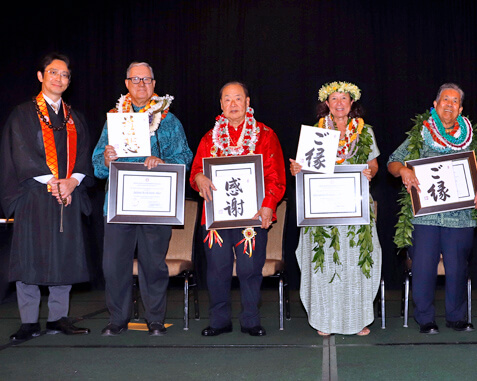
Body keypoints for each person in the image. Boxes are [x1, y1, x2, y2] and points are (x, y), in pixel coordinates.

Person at [92, 62, 193, 336]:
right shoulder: (114, 118)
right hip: (117, 204)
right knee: (113, 265)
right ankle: (117, 319)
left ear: (154, 84)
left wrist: (162, 161)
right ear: (126, 83)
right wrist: (106, 157)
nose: (141, 84)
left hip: (155, 202)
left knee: (153, 264)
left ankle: (155, 319)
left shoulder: (169, 120)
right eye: (135, 79)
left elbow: (185, 157)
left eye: (146, 80)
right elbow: (97, 165)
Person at [0, 53, 92, 341]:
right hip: (33, 195)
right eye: (53, 73)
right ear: (41, 76)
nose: (59, 79)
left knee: (63, 256)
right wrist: (52, 181)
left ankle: (58, 318)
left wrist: (73, 183)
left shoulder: (74, 117)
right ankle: (28, 322)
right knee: (30, 256)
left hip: (67, 196)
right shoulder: (23, 114)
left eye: (65, 75)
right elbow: (20, 153)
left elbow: (85, 158)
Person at [388, 83, 477, 334]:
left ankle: (457, 317)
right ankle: (425, 319)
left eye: (455, 101)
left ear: (460, 109)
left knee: (457, 268)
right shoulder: (420, 133)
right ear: (435, 105)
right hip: (425, 216)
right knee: (423, 267)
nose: (449, 104)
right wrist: (403, 170)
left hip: (461, 217)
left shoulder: (470, 137)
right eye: (445, 99)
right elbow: (393, 161)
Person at [191, 82, 285, 337]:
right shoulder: (210, 137)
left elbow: (276, 177)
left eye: (238, 99)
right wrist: (199, 178)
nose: (233, 104)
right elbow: (196, 171)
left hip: (251, 218)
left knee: (249, 269)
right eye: (227, 99)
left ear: (247, 102)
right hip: (216, 218)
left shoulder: (265, 135)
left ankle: (251, 320)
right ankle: (219, 321)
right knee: (217, 270)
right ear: (221, 104)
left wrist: (268, 205)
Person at [290, 81, 382, 336]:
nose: (339, 103)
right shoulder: (315, 132)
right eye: (334, 99)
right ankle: (324, 320)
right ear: (327, 104)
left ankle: (358, 319)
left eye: (344, 98)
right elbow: (304, 169)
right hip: (323, 210)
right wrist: (296, 169)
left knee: (356, 262)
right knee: (325, 263)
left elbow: (374, 165)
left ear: (352, 103)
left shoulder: (365, 132)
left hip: (355, 207)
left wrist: (369, 172)